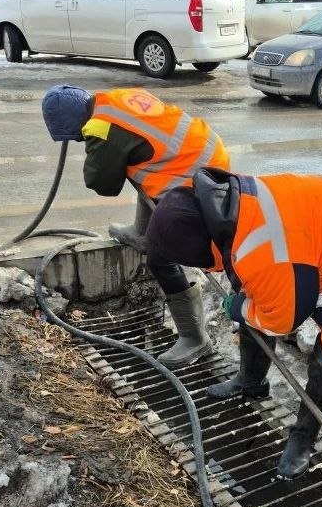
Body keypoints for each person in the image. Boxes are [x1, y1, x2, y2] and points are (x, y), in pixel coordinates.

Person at [144, 168, 322, 479]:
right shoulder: (226, 205)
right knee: (254, 300)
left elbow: (280, 320)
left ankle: (304, 437)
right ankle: (251, 381)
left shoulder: (263, 249)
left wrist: (239, 308)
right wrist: (247, 305)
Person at [41, 85, 230, 368]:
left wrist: (94, 145)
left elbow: (102, 184)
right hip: (207, 152)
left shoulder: (101, 128)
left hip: (193, 176)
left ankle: (194, 338)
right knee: (145, 167)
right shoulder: (111, 100)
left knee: (161, 257)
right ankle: (141, 233)